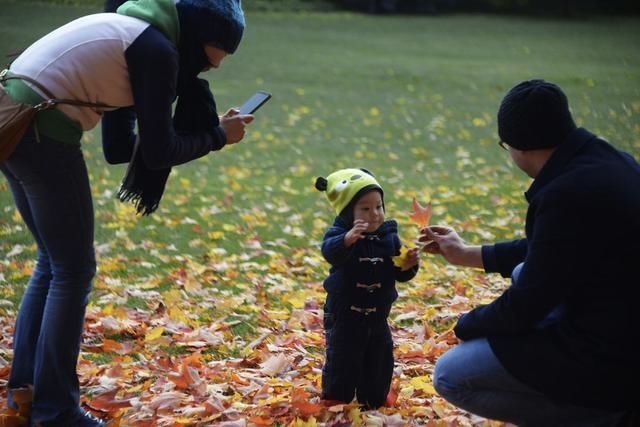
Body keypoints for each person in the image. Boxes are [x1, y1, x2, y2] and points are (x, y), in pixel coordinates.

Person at [0, 0, 252, 425]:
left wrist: (209, 132)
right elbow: (157, 154)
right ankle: (55, 411)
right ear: (192, 38)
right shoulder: (154, 50)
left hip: (17, 119)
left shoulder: (135, 35)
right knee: (73, 271)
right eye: (208, 60)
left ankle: (24, 399)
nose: (212, 70)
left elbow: (119, 149)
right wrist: (216, 136)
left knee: (54, 264)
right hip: (39, 130)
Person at [420, 79, 640, 426]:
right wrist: (466, 253)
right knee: (524, 270)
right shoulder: (608, 163)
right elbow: (551, 249)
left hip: (614, 355)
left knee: (451, 374)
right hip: (619, 316)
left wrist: (465, 324)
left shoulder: (566, 195)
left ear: (517, 146)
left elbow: (526, 305)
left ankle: (606, 416)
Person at [314, 168, 420, 409]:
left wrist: (408, 264)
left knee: (379, 357)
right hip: (343, 313)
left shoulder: (389, 236)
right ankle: (336, 400)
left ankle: (374, 398)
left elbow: (399, 273)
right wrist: (347, 240)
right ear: (347, 212)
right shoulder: (339, 233)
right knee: (342, 357)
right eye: (365, 209)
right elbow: (329, 252)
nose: (374, 214)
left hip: (377, 314)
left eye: (379, 206)